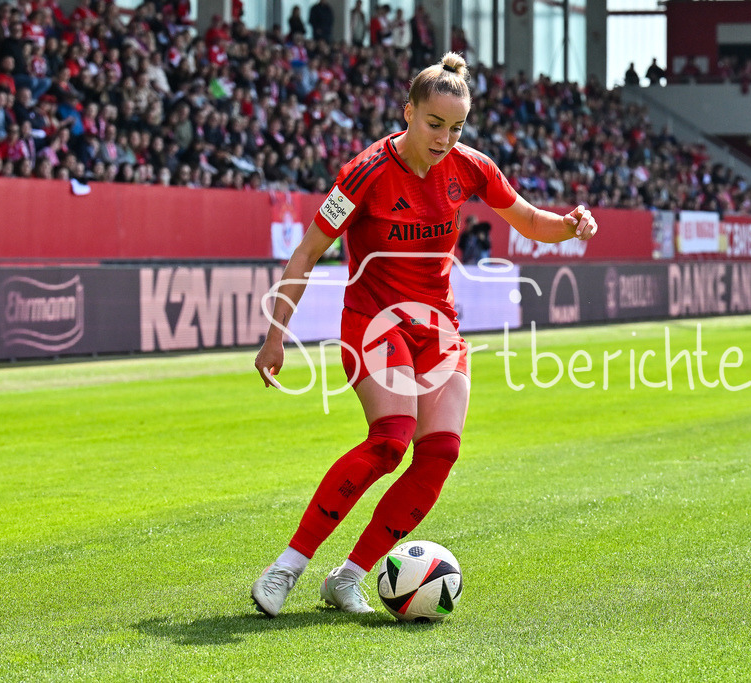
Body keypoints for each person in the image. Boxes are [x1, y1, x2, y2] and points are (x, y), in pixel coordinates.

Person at [250, 52, 598, 617]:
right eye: (434, 124)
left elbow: (532, 221)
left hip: (437, 327)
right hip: (375, 322)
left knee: (440, 451)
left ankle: (349, 578)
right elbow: (308, 252)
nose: (444, 138)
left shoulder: (471, 167)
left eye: (456, 128)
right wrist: (275, 335)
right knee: (390, 441)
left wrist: (570, 223)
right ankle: (287, 568)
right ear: (408, 112)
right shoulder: (363, 172)